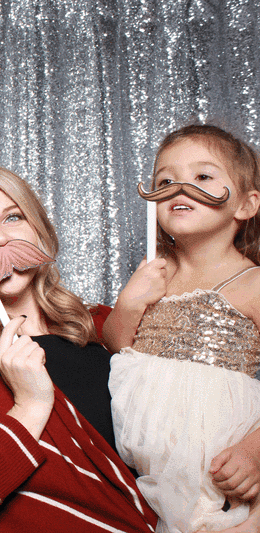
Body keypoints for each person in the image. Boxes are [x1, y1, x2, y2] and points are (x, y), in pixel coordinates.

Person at [0, 164, 158, 532]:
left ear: (39, 229)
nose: (0, 240)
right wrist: (29, 408)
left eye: (13, 218)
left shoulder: (105, 328)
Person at [103, 124, 260, 533]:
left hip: (223, 464)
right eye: (165, 181)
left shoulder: (253, 284)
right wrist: (130, 302)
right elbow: (117, 347)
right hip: (149, 471)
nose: (179, 189)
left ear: (246, 205)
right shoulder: (154, 271)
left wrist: (254, 451)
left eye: (202, 176)